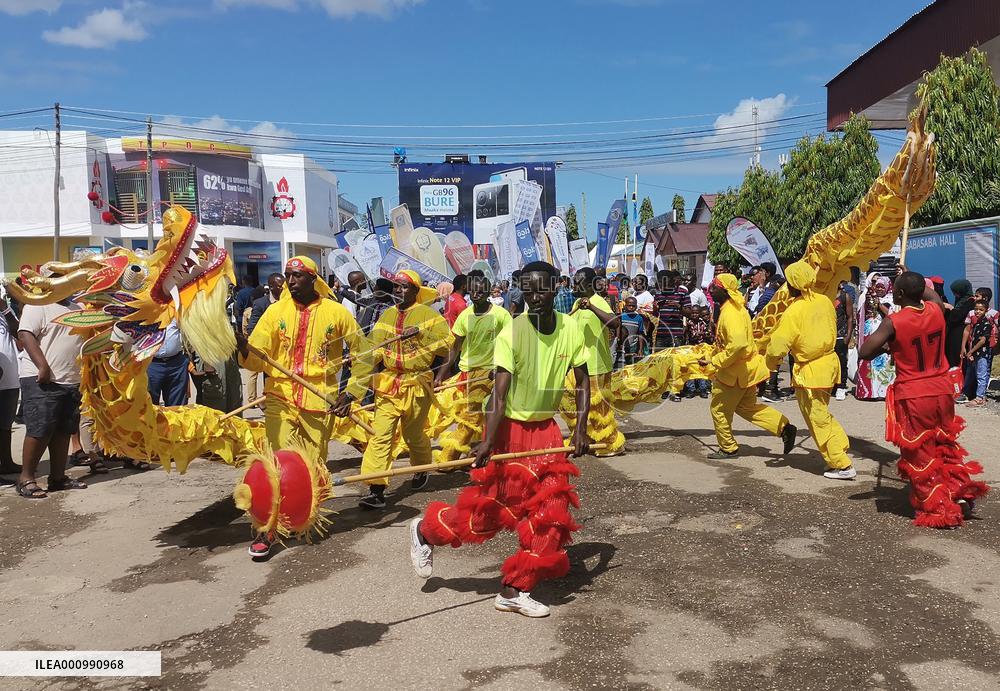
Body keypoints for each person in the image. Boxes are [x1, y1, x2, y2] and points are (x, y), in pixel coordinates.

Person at [409, 261, 591, 618]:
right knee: (492, 514)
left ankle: (514, 589)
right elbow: (499, 393)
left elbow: (583, 381)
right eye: (528, 290)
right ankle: (427, 532)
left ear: (556, 287)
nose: (534, 297)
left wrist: (580, 428)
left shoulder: (571, 328)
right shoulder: (512, 332)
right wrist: (489, 441)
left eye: (541, 289)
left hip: (547, 433)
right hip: (510, 432)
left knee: (552, 513)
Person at [236, 256, 374, 558]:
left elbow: (363, 354)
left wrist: (350, 394)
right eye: (288, 275)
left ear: (313, 278)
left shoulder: (337, 312)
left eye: (298, 275)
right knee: (275, 463)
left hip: (319, 398)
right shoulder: (275, 312)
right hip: (281, 396)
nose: (291, 281)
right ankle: (268, 528)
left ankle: (303, 517)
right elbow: (258, 358)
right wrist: (244, 349)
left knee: (313, 465)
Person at [858, 271, 988, 527]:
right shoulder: (935, 310)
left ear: (899, 294)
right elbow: (930, 295)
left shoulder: (894, 321)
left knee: (920, 455)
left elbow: (865, 351)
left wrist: (889, 345)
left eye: (896, 289)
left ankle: (940, 509)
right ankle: (958, 494)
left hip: (915, 394)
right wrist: (910, 279)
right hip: (942, 390)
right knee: (945, 445)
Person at [357, 270, 452, 509]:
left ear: (415, 290)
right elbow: (376, 346)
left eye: (405, 286)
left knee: (413, 435)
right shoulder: (387, 315)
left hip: (417, 383)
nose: (399, 291)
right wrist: (361, 360)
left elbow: (448, 344)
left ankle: (421, 467)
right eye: (396, 286)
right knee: (381, 435)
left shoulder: (429, 314)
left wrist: (422, 334)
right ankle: (376, 488)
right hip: (388, 384)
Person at [765, 262, 854, 480]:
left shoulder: (793, 311)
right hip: (829, 364)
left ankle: (842, 464)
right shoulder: (824, 301)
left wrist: (769, 363)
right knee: (821, 412)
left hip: (811, 371)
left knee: (817, 417)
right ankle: (839, 445)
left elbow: (778, 346)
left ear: (792, 285)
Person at [700, 273, 796, 460]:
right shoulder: (734, 308)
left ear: (724, 291)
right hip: (744, 371)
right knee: (746, 407)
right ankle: (784, 427)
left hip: (733, 373)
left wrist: (715, 361)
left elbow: (737, 345)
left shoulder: (730, 313)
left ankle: (728, 448)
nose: (710, 290)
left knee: (719, 410)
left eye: (714, 287)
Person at [433, 271, 512, 462]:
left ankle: (449, 457)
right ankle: (472, 451)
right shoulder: (465, 316)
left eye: (481, 292)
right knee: (467, 414)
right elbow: (455, 347)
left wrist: (503, 366)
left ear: (488, 293)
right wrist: (441, 374)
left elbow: (512, 342)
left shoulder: (500, 315)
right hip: (468, 371)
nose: (476, 295)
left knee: (474, 415)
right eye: (473, 291)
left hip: (491, 371)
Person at [16, 289, 86, 498]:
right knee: (41, 429)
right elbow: (25, 334)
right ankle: (26, 478)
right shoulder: (38, 305)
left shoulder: (77, 308)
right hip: (42, 378)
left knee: (64, 430)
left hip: (70, 379)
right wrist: (42, 366)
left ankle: (58, 478)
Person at [570, 268, 626, 454]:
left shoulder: (598, 301)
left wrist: (592, 307)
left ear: (589, 285)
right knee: (581, 404)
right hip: (580, 364)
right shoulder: (577, 302)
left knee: (600, 408)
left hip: (597, 365)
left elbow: (615, 323)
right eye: (574, 282)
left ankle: (610, 444)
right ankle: (587, 438)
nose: (574, 286)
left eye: (578, 283)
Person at [855, 274, 895, 400]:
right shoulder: (868, 297)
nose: (879, 289)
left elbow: (892, 315)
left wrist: (880, 305)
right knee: (869, 361)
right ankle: (869, 393)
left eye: (882, 287)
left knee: (883, 364)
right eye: (878, 286)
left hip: (883, 337)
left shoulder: (891, 300)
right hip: (869, 335)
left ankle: (883, 392)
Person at [147, 319, 191, 406]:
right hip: (152, 364)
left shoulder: (176, 313)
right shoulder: (146, 314)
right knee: (149, 402)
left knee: (177, 405)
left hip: (176, 364)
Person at [0, 294, 19, 483]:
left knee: (6, 424)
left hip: (11, 378)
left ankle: (6, 462)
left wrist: (4, 308)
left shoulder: (6, 312)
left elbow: (19, 333)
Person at [963, 300, 996, 407]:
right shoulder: (977, 323)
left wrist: (971, 351)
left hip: (982, 354)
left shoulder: (987, 324)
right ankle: (969, 394)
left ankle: (979, 398)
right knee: (972, 374)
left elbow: (982, 341)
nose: (977, 311)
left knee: (981, 375)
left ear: (986, 310)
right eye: (976, 309)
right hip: (975, 354)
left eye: (981, 309)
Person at [653, 270, 690, 351]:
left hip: (676, 334)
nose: (661, 285)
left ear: (672, 281)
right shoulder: (658, 294)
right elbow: (654, 315)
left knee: (675, 357)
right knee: (659, 357)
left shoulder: (682, 292)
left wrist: (678, 306)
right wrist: (655, 308)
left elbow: (689, 313)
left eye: (664, 282)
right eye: (660, 282)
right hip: (661, 334)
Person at [682, 305, 713, 398]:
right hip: (692, 348)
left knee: (701, 368)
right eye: (693, 313)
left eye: (696, 313)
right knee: (691, 368)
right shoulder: (689, 323)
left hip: (702, 349)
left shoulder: (703, 323)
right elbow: (690, 335)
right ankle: (691, 389)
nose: (694, 315)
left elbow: (707, 334)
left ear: (700, 314)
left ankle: (703, 389)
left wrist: (704, 334)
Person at [833, 280, 855, 401]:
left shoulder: (844, 296)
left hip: (841, 335)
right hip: (827, 335)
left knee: (841, 361)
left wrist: (848, 335)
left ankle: (841, 386)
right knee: (829, 362)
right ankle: (832, 385)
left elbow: (850, 317)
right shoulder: (825, 295)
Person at [945, 279, 975, 369]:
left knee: (957, 358)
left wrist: (951, 309)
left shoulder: (970, 301)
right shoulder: (960, 300)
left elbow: (958, 317)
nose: (954, 295)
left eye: (956, 292)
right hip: (954, 332)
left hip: (960, 334)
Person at [617, 296, 648, 367]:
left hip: (633, 346)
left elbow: (640, 334)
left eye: (633, 306)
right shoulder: (621, 317)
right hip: (621, 346)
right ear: (625, 305)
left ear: (636, 306)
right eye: (629, 305)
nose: (631, 307)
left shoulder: (639, 318)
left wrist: (640, 349)